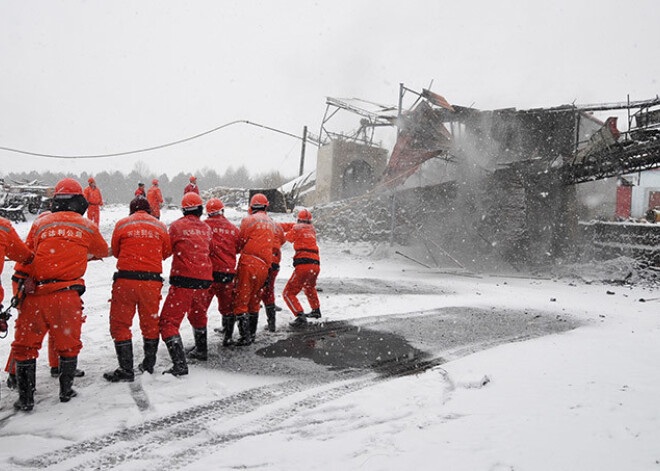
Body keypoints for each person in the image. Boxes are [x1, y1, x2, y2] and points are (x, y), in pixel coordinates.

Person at [11, 178, 108, 411]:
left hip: (35, 294)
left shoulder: (41, 223)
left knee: (25, 346)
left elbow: (27, 253)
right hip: (66, 294)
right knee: (68, 344)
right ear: (79, 200)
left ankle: (26, 398)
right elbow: (102, 250)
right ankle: (66, 390)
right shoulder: (86, 225)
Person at [4, 211, 84, 388]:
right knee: (27, 333)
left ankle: (57, 366)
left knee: (57, 326)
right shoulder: (38, 240)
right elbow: (25, 265)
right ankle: (14, 373)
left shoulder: (46, 235)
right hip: (28, 284)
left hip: (40, 286)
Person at [103, 197, 171, 382]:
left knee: (121, 324)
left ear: (131, 210)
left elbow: (116, 251)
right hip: (151, 282)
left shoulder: (122, 224)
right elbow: (166, 252)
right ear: (149, 210)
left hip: (126, 281)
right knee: (150, 323)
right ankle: (149, 364)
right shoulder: (160, 226)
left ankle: (126, 368)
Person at [159, 192, 212, 375]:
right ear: (200, 209)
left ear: (183, 210)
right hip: (204, 280)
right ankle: (201, 349)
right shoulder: (206, 229)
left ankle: (179, 365)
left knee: (168, 322)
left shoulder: (176, 227)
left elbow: (165, 251)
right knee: (198, 315)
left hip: (184, 280)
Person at [233, 193, 276, 345]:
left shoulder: (248, 220)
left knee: (241, 300)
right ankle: (251, 334)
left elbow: (241, 241)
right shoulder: (271, 223)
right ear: (266, 206)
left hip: (249, 263)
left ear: (251, 207)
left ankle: (244, 336)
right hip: (265, 266)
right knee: (255, 300)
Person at [198, 198, 240, 347]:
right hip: (227, 274)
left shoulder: (203, 227)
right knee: (228, 307)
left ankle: (200, 344)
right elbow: (239, 247)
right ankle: (228, 337)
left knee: (200, 309)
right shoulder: (233, 229)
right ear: (222, 210)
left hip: (208, 274)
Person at [283, 209, 321, 327]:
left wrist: (289, 229)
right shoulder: (312, 230)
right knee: (310, 287)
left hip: (303, 264)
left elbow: (288, 238)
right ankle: (316, 310)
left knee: (288, 293)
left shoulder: (296, 228)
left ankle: (299, 315)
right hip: (315, 264)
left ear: (298, 219)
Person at [260, 222, 286, 332]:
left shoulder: (260, 225)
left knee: (253, 289)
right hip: (275, 263)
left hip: (263, 260)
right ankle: (272, 324)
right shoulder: (278, 227)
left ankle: (244, 322)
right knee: (269, 290)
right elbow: (283, 240)